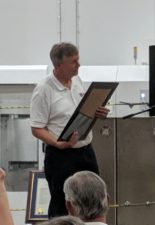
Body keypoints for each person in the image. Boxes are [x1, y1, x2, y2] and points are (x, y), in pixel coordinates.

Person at [30, 42, 109, 218]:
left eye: (78, 60)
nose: (78, 65)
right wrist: (58, 144)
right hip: (61, 157)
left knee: (93, 201)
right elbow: (36, 128)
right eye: (74, 61)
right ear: (59, 65)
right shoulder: (44, 89)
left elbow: (84, 112)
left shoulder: (77, 81)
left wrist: (98, 112)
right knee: (62, 205)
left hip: (86, 151)